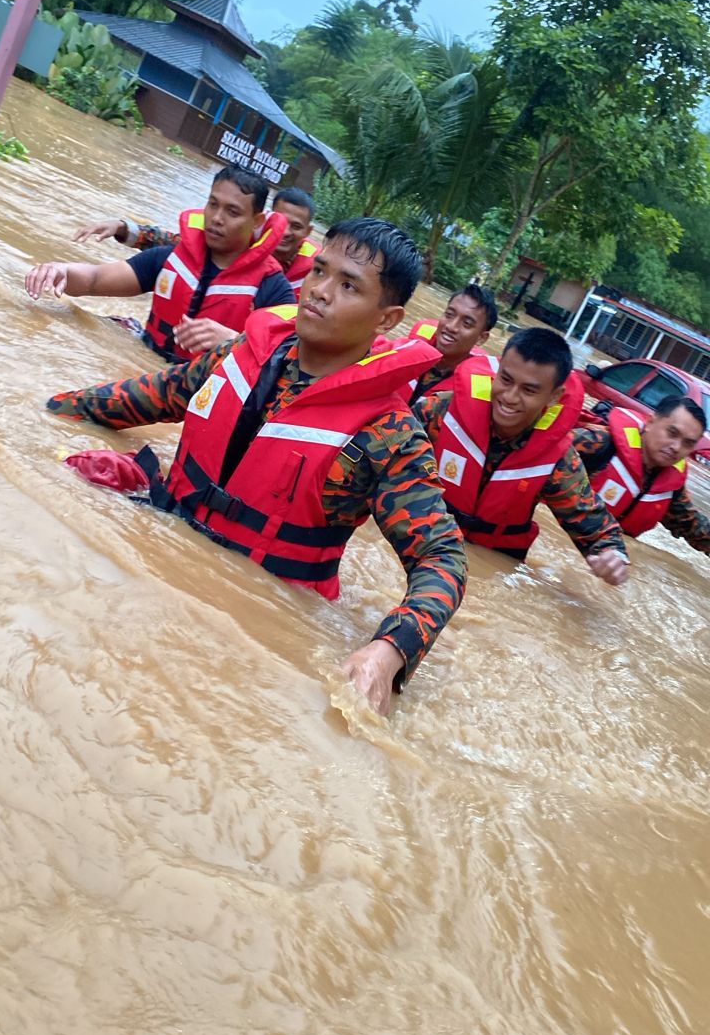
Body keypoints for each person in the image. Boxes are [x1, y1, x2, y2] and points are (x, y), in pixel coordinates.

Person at [45, 218, 468, 715]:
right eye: (319, 272)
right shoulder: (236, 357)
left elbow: (443, 559)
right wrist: (44, 409)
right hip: (152, 562)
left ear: (386, 319)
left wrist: (388, 650)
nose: (320, 292)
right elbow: (134, 400)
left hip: (254, 629)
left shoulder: (388, 435)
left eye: (348, 285)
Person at [415, 327, 630, 584]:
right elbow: (380, 455)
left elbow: (595, 526)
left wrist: (612, 556)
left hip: (489, 572)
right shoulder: (440, 411)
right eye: (505, 380)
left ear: (554, 397)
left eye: (529, 391)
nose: (510, 397)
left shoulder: (558, 460)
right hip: (423, 541)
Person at [24, 165, 294, 362]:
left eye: (232, 211)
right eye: (213, 204)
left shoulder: (273, 289)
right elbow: (95, 279)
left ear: (257, 222)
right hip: (144, 354)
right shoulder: (170, 257)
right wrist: (60, 270)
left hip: (198, 387)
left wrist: (234, 341)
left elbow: (286, 358)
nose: (216, 218)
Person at [73, 185, 320, 302]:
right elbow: (180, 246)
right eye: (281, 223)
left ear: (308, 232)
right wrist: (124, 227)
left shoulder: (316, 278)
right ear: (264, 221)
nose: (285, 233)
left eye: (296, 227)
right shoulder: (234, 244)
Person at [573, 396, 710, 554]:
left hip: (606, 557)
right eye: (672, 433)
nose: (676, 447)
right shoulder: (597, 444)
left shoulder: (671, 491)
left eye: (687, 443)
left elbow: (695, 529)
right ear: (651, 422)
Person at [403, 283, 499, 401]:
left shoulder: (475, 390)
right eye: (449, 315)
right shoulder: (408, 348)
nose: (451, 327)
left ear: (481, 338)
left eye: (467, 323)